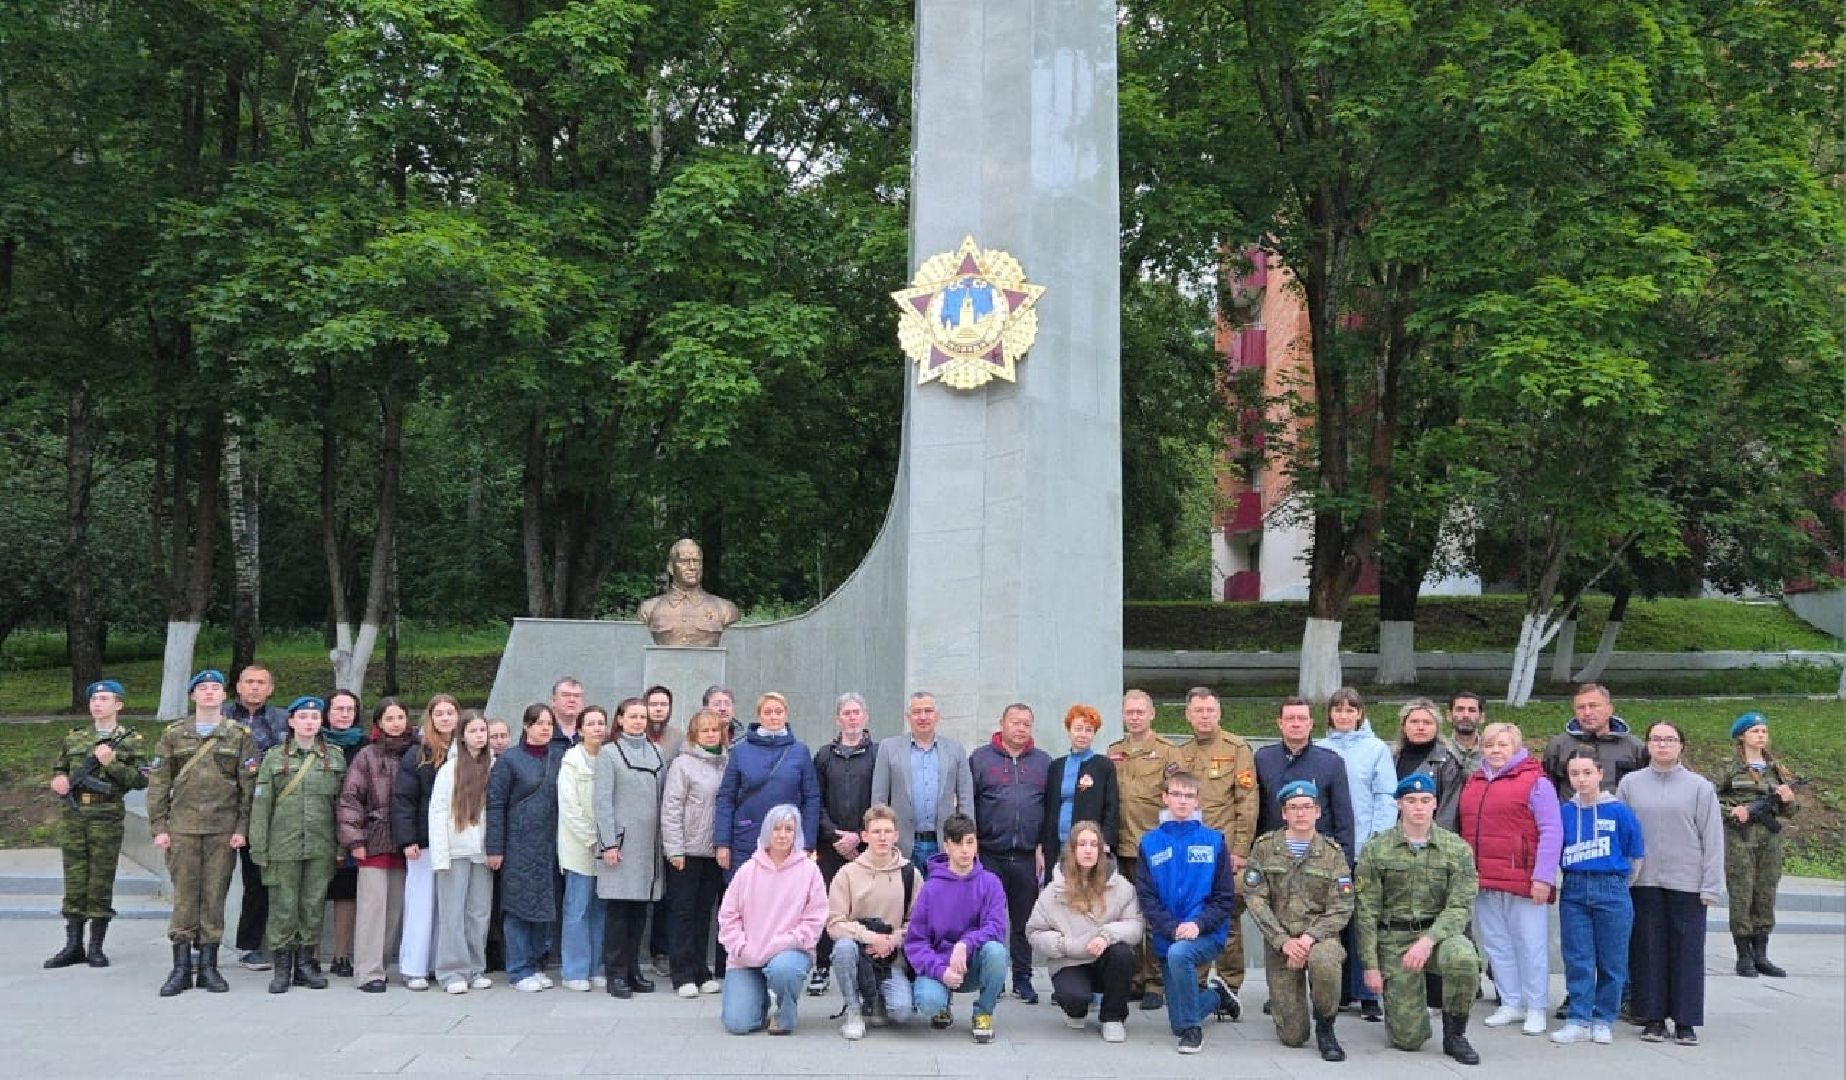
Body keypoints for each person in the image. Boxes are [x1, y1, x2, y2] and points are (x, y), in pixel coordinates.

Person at [1355, 772, 1482, 1064]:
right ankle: (1411, 1009)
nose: (1418, 807)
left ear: (1435, 803)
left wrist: (1428, 940)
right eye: (1411, 801)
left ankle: (1455, 1034)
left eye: (1425, 800)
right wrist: (1371, 966)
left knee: (1463, 958)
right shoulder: (1376, 848)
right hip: (1394, 940)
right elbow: (1367, 911)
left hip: (1439, 936)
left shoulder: (1456, 848)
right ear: (1399, 804)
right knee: (1407, 1040)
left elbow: (1460, 906)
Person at [146, 669, 258, 996]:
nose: (209, 692)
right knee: (184, 897)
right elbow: (158, 783)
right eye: (203, 688)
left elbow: (248, 787)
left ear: (224, 695)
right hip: (182, 829)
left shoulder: (239, 735)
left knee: (214, 896)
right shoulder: (174, 735)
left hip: (222, 830)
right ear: (193, 696)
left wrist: (242, 828)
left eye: (215, 688)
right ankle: (181, 967)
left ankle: (209, 966)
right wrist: (159, 827)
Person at [1617, 721, 1724, 1046]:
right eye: (1656, 739)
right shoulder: (1631, 784)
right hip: (1643, 880)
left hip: (1687, 882)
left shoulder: (1699, 787)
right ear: (1647, 744)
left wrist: (1710, 885)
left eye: (1669, 739)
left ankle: (1685, 1020)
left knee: (1686, 951)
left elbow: (1713, 838)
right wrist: (1622, 875)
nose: (1662, 745)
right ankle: (1652, 1018)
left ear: (1681, 745)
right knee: (1647, 949)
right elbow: (1620, 832)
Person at [1457, 721, 1561, 1036]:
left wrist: (1543, 877)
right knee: (1496, 943)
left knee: (1530, 945)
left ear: (1515, 747)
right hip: (1485, 878)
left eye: (1502, 744)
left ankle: (1536, 1006)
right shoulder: (1475, 781)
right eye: (1489, 745)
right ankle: (1511, 1002)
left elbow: (1551, 830)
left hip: (1524, 879)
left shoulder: (1536, 782)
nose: (1495, 750)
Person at [1244, 780, 1354, 1061]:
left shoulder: (1333, 853)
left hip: (1319, 938)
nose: (1300, 813)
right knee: (1293, 1036)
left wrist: (1307, 940)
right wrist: (1283, 941)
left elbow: (1342, 905)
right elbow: (1255, 898)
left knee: (1325, 960)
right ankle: (1289, 1010)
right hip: (1280, 941)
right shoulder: (1265, 848)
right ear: (1284, 813)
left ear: (1318, 811)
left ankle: (1326, 1025)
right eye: (1293, 807)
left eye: (1307, 807)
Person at [44, 678, 147, 971]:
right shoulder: (75, 738)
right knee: (75, 877)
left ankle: (96, 947)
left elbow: (140, 780)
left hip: (106, 813)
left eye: (104, 699)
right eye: (94, 700)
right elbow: (60, 768)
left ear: (118, 705)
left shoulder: (130, 740)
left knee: (101, 878)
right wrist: (59, 780)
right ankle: (73, 945)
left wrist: (111, 762)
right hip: (75, 814)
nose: (97, 704)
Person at [1135, 771, 1237, 1054]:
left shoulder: (1214, 841)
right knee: (1177, 1021)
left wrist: (1198, 924)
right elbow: (1147, 898)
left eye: (1189, 796)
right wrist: (1171, 928)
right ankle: (1217, 997)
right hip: (1168, 936)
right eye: (1176, 794)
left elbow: (1224, 898)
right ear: (1165, 798)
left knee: (1181, 954)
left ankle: (1194, 1032)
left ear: (1197, 801)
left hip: (1206, 933)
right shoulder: (1149, 843)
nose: (1182, 801)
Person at [248, 696, 346, 993]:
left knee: (312, 905)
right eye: (303, 717)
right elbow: (262, 804)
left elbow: (341, 806)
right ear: (291, 721)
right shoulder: (274, 757)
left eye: (314, 718)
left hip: (320, 845)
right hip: (283, 845)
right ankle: (282, 969)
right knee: (283, 906)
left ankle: (305, 965)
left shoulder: (334, 757)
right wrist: (259, 846)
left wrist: (341, 845)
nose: (309, 722)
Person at [1174, 687, 1257, 1017]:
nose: (1205, 716)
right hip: (1190, 852)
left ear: (1219, 713)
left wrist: (1240, 850)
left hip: (1225, 851)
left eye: (1210, 710)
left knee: (1228, 917)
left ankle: (1230, 986)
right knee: (1192, 913)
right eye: (1198, 710)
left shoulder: (1237, 749)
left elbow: (1247, 803)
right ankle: (1197, 983)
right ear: (1188, 715)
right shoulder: (1181, 753)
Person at [1552, 749, 1644, 1045]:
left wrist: (1620, 883)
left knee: (1612, 960)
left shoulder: (1619, 812)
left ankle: (1604, 1018)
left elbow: (1634, 853)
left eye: (1587, 773)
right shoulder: (1565, 812)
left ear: (1600, 774)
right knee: (1578, 957)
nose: (1581, 779)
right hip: (1575, 889)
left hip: (1612, 888)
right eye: (1574, 774)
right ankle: (1578, 1017)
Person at [1317, 687, 1396, 1021]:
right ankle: (1338, 991)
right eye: (1338, 710)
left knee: (1363, 919)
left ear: (1360, 714)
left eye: (1351, 710)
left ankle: (1367, 994)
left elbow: (1385, 797)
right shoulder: (1320, 748)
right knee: (1333, 918)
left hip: (1363, 845)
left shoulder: (1376, 750)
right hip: (1329, 848)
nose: (1344, 716)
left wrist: (1374, 842)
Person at [1025, 819, 1142, 1043]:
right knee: (1075, 999)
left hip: (1105, 958)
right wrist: (1063, 944)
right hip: (1069, 960)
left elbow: (1135, 926)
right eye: (1082, 844)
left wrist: (1107, 936)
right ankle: (1076, 1010)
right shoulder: (1054, 889)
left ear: (1101, 849)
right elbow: (1034, 931)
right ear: (1072, 849)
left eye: (1093, 844)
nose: (1088, 850)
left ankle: (1113, 1018)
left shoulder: (1121, 886)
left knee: (1122, 954)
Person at [717, 804, 829, 1035]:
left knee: (783, 970)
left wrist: (782, 943)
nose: (782, 835)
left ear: (796, 833)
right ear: (767, 831)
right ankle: (759, 1000)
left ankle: (784, 1014)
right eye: (776, 828)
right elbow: (728, 915)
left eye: (789, 829)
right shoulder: (747, 870)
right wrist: (740, 947)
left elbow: (815, 920)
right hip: (747, 956)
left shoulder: (810, 871)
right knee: (738, 1024)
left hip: (789, 953)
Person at [968, 702, 1051, 1002]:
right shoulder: (980, 759)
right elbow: (968, 804)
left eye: (1026, 723)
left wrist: (1042, 846)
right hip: (990, 853)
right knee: (990, 920)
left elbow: (1049, 809)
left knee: (1024, 921)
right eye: (1015, 722)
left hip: (1028, 856)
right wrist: (972, 846)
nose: (1020, 728)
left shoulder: (1043, 762)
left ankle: (1023, 979)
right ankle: (993, 978)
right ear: (1002, 723)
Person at [904, 812, 1009, 1044]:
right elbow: (916, 942)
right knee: (928, 1002)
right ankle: (942, 1005)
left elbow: (996, 927)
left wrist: (966, 943)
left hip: (974, 964)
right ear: (947, 846)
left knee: (997, 952)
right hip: (940, 966)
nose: (965, 850)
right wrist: (941, 971)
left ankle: (983, 1013)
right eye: (958, 843)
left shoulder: (990, 883)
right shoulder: (930, 888)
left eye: (970, 842)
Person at [1105, 689, 1178, 1009]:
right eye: (1129, 712)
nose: (1134, 717)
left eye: (1140, 712)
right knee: (1125, 913)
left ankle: (1155, 982)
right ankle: (1132, 978)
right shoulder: (1114, 751)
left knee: (1154, 916)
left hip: (1153, 848)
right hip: (1119, 845)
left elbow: (1177, 798)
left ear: (1152, 714)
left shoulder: (1168, 752)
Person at [338, 697, 414, 994]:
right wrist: (355, 839)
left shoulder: (417, 752)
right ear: (379, 723)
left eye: (400, 717)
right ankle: (368, 971)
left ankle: (381, 964)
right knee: (372, 908)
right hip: (373, 839)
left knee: (393, 910)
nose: (395, 723)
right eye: (389, 718)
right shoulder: (366, 755)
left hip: (405, 841)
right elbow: (350, 799)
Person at [487, 703, 564, 993]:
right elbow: (495, 805)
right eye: (539, 723)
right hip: (517, 843)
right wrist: (495, 847)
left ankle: (535, 963)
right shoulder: (509, 760)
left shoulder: (558, 758)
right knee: (517, 908)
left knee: (542, 906)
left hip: (548, 843)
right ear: (526, 726)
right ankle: (518, 969)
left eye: (549, 724)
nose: (545, 728)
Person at [1715, 711, 1798, 979]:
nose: (1761, 736)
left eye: (1764, 731)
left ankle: (1761, 954)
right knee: (1742, 893)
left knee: (1766, 892)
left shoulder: (1776, 770)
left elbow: (1790, 812)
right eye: (1755, 731)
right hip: (1739, 838)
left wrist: (1788, 799)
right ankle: (1744, 955)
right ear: (1742, 736)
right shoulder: (1729, 767)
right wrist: (1732, 811)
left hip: (1768, 840)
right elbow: (1707, 801)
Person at [827, 803, 920, 1038]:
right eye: (876, 832)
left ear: (896, 835)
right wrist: (869, 937)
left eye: (887, 831)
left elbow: (919, 922)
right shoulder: (847, 874)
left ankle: (877, 999)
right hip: (858, 951)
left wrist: (893, 940)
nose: (882, 837)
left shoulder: (910, 873)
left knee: (901, 1013)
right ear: (864, 836)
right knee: (843, 949)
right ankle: (854, 1010)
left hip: (891, 957)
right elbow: (834, 923)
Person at [596, 697, 668, 997]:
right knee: (618, 913)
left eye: (642, 717)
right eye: (633, 716)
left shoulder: (657, 752)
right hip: (622, 845)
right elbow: (602, 802)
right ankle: (615, 974)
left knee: (639, 913)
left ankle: (633, 970)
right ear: (620, 719)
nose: (638, 721)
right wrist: (609, 843)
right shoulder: (609, 753)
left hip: (649, 846)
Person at [392, 693, 458, 990]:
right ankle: (414, 966)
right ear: (430, 718)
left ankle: (436, 963)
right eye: (439, 713)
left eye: (450, 712)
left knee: (445, 907)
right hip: (424, 842)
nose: (445, 718)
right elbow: (404, 800)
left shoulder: (464, 750)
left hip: (455, 841)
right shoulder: (418, 753)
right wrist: (408, 839)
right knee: (421, 904)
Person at [662, 709, 730, 997]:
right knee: (683, 913)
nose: (710, 735)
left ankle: (702, 971)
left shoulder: (727, 763)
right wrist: (674, 849)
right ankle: (683, 974)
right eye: (705, 730)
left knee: (705, 913)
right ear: (694, 734)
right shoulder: (682, 764)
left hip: (713, 851)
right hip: (687, 851)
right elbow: (671, 808)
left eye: (715, 730)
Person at [812, 692, 876, 995]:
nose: (852, 718)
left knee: (865, 904)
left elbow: (881, 798)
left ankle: (868, 967)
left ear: (865, 717)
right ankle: (822, 966)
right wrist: (834, 835)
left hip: (867, 846)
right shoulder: (824, 756)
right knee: (828, 905)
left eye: (856, 712)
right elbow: (815, 800)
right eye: (846, 713)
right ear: (838, 719)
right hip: (831, 846)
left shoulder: (878, 754)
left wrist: (860, 835)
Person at [715, 692, 821, 877]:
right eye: (768, 712)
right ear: (759, 716)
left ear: (786, 715)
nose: (773, 717)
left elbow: (811, 798)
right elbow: (726, 798)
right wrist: (722, 842)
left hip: (786, 840)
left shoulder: (800, 751)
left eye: (778, 712)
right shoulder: (740, 752)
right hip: (746, 838)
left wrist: (808, 843)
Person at [226, 663, 288, 971]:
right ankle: (200, 945)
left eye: (261, 682)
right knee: (210, 881)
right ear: (238, 686)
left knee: (257, 882)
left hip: (264, 812)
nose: (254, 687)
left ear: (270, 688)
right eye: (249, 681)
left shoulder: (283, 719)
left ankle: (249, 946)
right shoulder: (221, 717)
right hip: (222, 810)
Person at [429, 710, 495, 994]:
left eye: (483, 730)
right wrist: (440, 856)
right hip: (455, 850)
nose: (479, 736)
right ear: (462, 736)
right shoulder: (450, 769)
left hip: (482, 851)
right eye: (473, 731)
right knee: (452, 914)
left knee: (479, 913)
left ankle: (475, 968)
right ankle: (451, 971)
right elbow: (437, 812)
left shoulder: (494, 765)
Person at [870, 691, 974, 865]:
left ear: (937, 716)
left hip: (945, 844)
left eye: (928, 711)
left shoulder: (955, 750)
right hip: (901, 845)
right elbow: (879, 799)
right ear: (908, 717)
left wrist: (967, 839)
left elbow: (966, 798)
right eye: (917, 712)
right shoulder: (888, 748)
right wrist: (881, 838)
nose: (923, 717)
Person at [1253, 697, 1354, 857]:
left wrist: (1344, 861)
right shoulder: (1263, 759)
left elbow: (1344, 819)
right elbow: (1254, 811)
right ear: (1280, 723)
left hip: (1320, 858)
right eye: (1290, 718)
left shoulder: (1331, 762)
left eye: (1301, 718)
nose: (1296, 724)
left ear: (1310, 724)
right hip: (1272, 856)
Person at [556, 704, 610, 991]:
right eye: (591, 724)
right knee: (577, 909)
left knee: (600, 910)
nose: (597, 728)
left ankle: (595, 967)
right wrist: (592, 840)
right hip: (579, 847)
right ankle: (574, 971)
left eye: (601, 723)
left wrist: (607, 841)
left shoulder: (610, 757)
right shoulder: (571, 761)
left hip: (607, 848)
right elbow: (570, 808)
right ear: (580, 730)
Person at [1041, 704, 1119, 878]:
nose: (1083, 734)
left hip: (1088, 847)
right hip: (1057, 844)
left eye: (1089, 730)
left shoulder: (1104, 766)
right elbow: (1048, 807)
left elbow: (1111, 807)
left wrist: (1106, 841)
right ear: (1069, 731)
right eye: (1078, 729)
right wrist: (1043, 844)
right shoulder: (1056, 766)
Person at [321, 690, 367, 978]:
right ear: (327, 712)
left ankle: (341, 955)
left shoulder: (365, 746)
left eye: (350, 709)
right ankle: (308, 957)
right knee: (313, 893)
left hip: (351, 829)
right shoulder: (314, 740)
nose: (344, 714)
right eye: (339, 708)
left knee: (345, 893)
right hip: (317, 827)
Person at [1542, 684, 1647, 801]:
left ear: (1610, 709)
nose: (1587, 712)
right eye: (1581, 707)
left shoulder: (1634, 747)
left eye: (1593, 706)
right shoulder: (1558, 746)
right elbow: (1548, 789)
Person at [643, 684, 682, 978]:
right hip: (639, 824)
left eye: (663, 705)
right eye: (653, 704)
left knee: (667, 893)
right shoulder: (632, 736)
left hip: (669, 824)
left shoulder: (678, 738)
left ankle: (662, 951)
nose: (658, 709)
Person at [639, 538, 741, 647]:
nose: (692, 567)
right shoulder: (649, 609)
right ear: (671, 567)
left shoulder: (725, 610)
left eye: (696, 561)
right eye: (684, 561)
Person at [1389, 698, 1466, 831]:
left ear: (1436, 727)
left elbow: (1448, 812)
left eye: (1427, 722)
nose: (1420, 727)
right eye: (1414, 722)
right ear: (1404, 726)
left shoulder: (1448, 763)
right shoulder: (1391, 758)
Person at [1447, 692, 1486, 775]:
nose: (1466, 715)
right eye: (1460, 709)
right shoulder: (1439, 751)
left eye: (1472, 710)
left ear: (1481, 717)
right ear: (1449, 715)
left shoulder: (1493, 751)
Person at [549, 677, 586, 749]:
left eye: (577, 696)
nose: (572, 700)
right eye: (566, 695)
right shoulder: (543, 734)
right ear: (553, 700)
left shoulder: (590, 735)